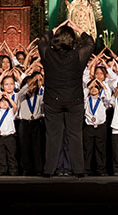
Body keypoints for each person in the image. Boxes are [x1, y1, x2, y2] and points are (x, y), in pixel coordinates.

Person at [37, 19, 95, 177]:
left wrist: (54, 30)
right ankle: (79, 170)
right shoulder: (78, 55)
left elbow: (41, 42)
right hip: (74, 99)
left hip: (52, 100)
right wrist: (79, 30)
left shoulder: (48, 54)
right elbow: (90, 43)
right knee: (75, 135)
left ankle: (49, 170)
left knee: (53, 136)